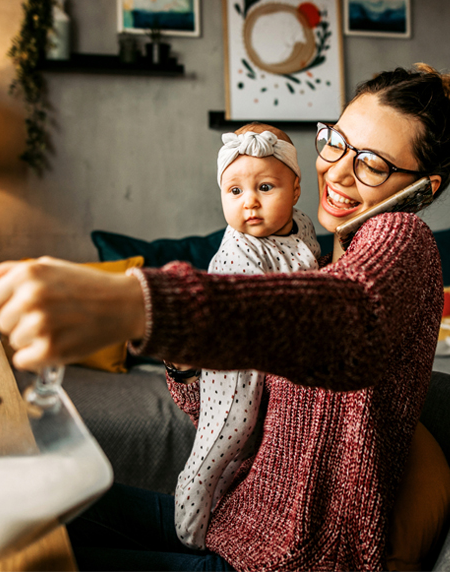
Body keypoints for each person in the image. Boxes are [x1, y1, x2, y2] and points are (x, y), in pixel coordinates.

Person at [0, 63, 450, 571]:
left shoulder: (403, 243)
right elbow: (229, 411)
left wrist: (139, 304)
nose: (336, 171)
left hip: (295, 559)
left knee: (29, 563)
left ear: (422, 187)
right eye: (336, 142)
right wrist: (184, 362)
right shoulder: (311, 253)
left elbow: (350, 322)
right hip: (232, 518)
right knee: (19, 503)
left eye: (372, 164)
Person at [173, 122, 321, 550]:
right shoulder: (239, 250)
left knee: (248, 449)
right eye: (234, 191)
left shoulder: (303, 228)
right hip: (236, 362)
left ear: (295, 191)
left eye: (265, 187)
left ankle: (223, 519)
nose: (249, 203)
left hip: (271, 361)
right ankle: (191, 527)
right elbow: (264, 312)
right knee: (227, 432)